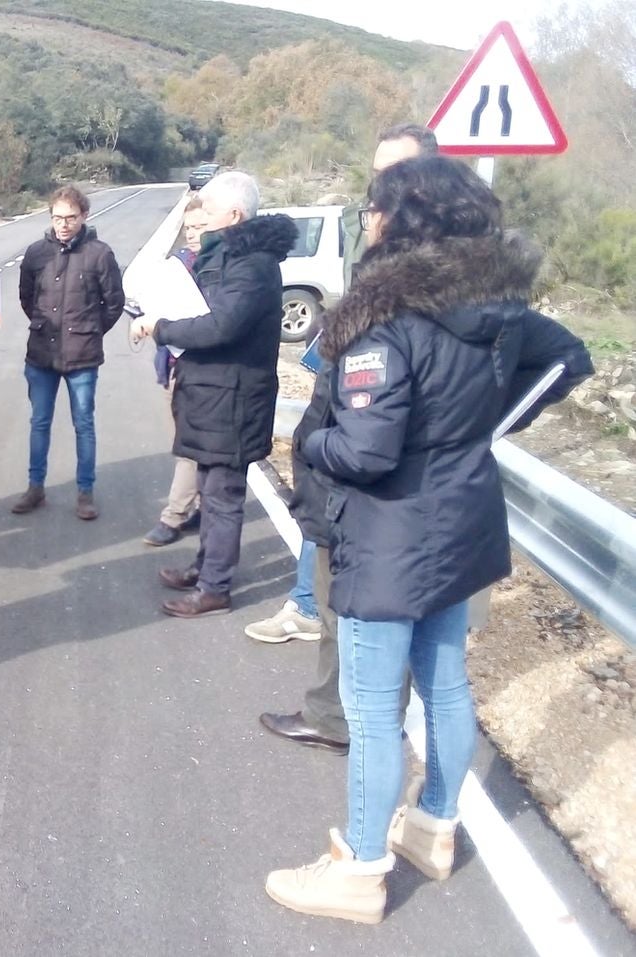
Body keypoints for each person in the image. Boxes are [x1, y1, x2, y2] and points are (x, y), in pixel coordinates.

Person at [265, 155, 593, 924]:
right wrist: (479, 429)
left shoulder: (386, 318)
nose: (368, 221)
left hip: (389, 537)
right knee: (444, 686)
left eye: (375, 209)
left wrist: (308, 444)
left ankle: (359, 865)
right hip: (463, 522)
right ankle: (434, 827)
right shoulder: (500, 305)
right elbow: (568, 357)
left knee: (373, 706)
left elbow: (368, 453)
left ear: (404, 220)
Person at [256, 122, 438, 754]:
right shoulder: (383, 265)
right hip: (346, 475)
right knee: (339, 610)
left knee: (373, 627)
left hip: (379, 484)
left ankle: (359, 738)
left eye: (399, 176)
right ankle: (338, 717)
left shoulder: (435, 282)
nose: (383, 194)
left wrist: (317, 447)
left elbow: (552, 361)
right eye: (377, 178)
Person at [131, 171, 296, 618]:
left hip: (233, 399)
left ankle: (214, 588)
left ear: (235, 215)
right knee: (210, 489)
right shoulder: (232, 258)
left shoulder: (252, 265)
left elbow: (220, 326)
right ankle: (206, 566)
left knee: (222, 497)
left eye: (208, 208)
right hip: (216, 395)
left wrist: (160, 326)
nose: (200, 217)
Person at [12, 185, 125, 520]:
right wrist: (46, 326)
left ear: (84, 216)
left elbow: (114, 303)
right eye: (57, 217)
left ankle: (85, 492)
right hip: (41, 355)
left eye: (70, 217)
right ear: (50, 217)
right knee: (39, 422)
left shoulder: (100, 254)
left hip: (83, 357)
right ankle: (35, 488)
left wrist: (88, 331)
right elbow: (26, 298)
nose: (63, 224)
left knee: (84, 424)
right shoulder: (35, 253)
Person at [142, 195, 206, 546]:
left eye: (201, 226)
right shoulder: (176, 263)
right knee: (183, 443)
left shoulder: (218, 269)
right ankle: (201, 506)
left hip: (201, 369)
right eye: (189, 227)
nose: (193, 234)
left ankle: (174, 515)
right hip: (171, 364)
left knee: (188, 447)